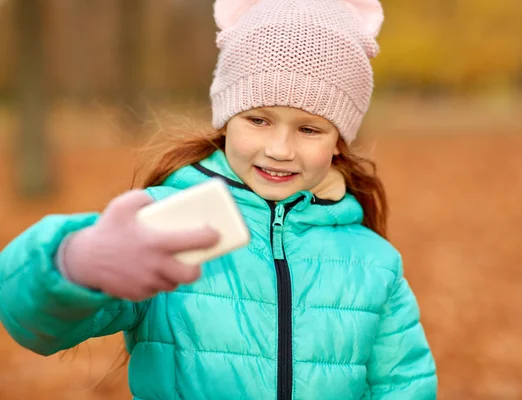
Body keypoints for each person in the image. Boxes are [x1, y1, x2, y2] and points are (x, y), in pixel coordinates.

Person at [0, 0, 437, 398]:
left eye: (309, 129)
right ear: (226, 119)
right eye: (259, 119)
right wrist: (73, 265)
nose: (280, 149)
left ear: (339, 141)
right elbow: (34, 324)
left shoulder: (375, 264)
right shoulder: (168, 226)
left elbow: (404, 385)